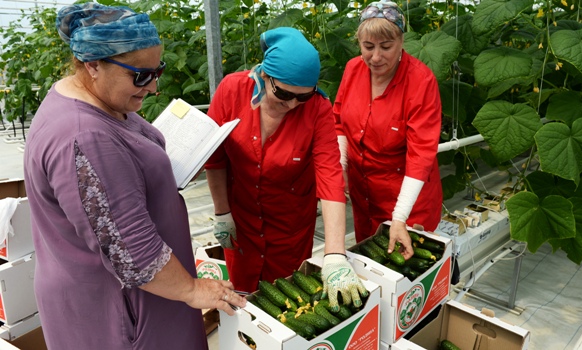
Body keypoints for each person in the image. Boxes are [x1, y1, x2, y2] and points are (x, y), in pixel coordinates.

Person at [22, 3, 245, 349]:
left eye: (158, 71)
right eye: (140, 76)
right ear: (93, 64)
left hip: (125, 294)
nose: (154, 87)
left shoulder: (95, 99)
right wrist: (191, 289)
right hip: (122, 309)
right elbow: (133, 253)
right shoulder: (86, 137)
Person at [204, 27, 368, 311]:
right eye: (283, 94)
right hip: (241, 220)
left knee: (290, 305)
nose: (292, 104)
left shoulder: (317, 108)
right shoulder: (232, 91)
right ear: (264, 75)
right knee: (243, 301)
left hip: (289, 226)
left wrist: (335, 255)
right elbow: (215, 158)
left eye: (302, 97)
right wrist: (222, 213)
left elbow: (329, 176)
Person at [333, 1, 443, 259]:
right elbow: (339, 120)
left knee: (409, 266)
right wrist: (342, 169)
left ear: (402, 41)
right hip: (365, 197)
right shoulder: (353, 69)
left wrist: (400, 217)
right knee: (372, 263)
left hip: (407, 202)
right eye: (368, 47)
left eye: (386, 47)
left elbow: (420, 156)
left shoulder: (421, 81)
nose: (376, 57)